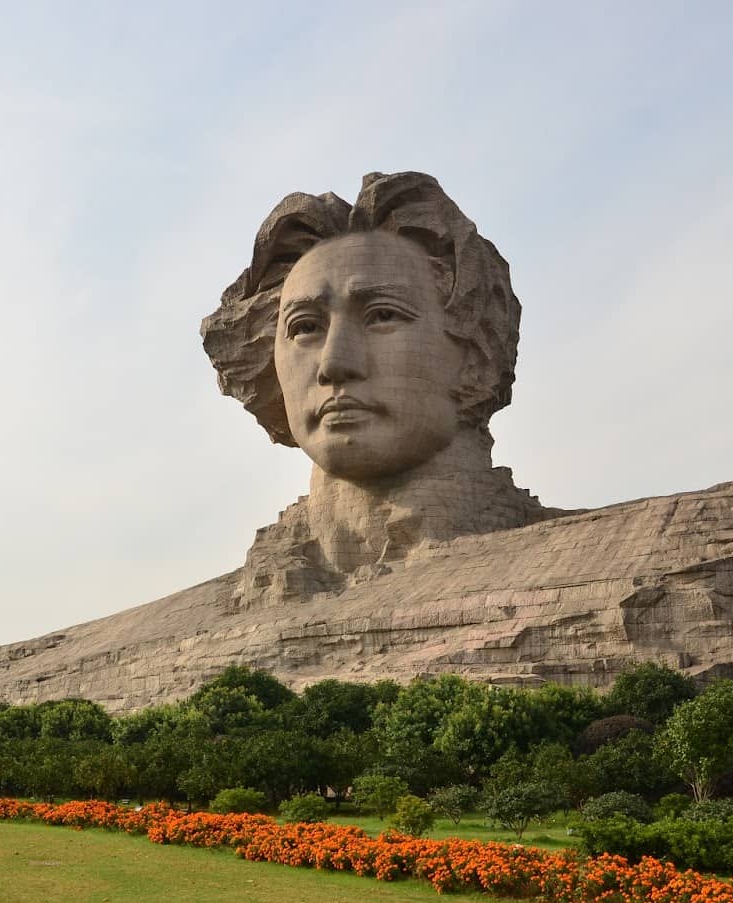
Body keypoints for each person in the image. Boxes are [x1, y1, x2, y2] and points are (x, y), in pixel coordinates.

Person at [201, 172, 555, 601]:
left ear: (477, 351)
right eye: (305, 327)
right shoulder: (156, 633)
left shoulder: (612, 569)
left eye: (383, 316)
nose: (335, 364)